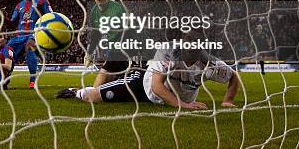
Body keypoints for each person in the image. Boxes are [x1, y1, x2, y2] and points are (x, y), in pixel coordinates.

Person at [57, 49, 239, 110]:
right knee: (95, 97)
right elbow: (156, 85)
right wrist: (182, 105)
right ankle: (75, 92)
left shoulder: (210, 63)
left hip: (171, 97)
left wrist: (227, 101)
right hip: (143, 86)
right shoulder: (169, 52)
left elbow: (233, 77)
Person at [4, 0, 52, 89]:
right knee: (7, 50)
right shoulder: (19, 5)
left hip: (34, 34)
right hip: (19, 36)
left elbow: (51, 17)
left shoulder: (42, 1)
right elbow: (12, 24)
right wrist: (4, 17)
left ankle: (32, 81)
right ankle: (5, 79)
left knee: (29, 46)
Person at [85, 0, 131, 87]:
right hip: (113, 50)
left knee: (97, 86)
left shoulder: (117, 9)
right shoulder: (94, 11)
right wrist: (90, 53)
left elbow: (130, 30)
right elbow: (96, 33)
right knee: (117, 83)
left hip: (123, 49)